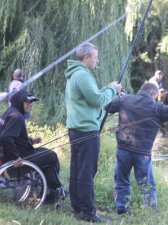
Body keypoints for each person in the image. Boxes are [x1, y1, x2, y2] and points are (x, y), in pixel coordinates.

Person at [108, 82, 168, 214]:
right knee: (146, 184)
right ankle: (150, 212)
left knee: (122, 180)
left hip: (123, 148)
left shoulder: (125, 99)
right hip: (142, 153)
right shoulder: (156, 107)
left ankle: (121, 208)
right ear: (152, 93)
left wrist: (112, 90)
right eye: (155, 96)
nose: (155, 98)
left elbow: (107, 106)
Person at [64, 42, 122, 223]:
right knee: (87, 171)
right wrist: (113, 90)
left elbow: (92, 95)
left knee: (77, 169)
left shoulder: (75, 74)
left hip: (76, 129)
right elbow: (97, 100)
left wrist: (108, 87)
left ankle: (77, 207)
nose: (98, 60)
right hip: (86, 130)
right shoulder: (83, 75)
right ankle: (88, 212)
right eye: (95, 57)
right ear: (87, 58)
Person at [0, 89, 66, 202]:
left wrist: (31, 141)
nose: (29, 105)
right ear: (20, 102)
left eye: (30, 103)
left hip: (12, 154)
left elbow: (16, 139)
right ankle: (54, 190)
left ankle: (52, 191)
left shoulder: (10, 111)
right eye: (27, 102)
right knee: (51, 156)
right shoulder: (17, 117)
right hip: (18, 160)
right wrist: (16, 158)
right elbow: (6, 138)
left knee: (46, 154)